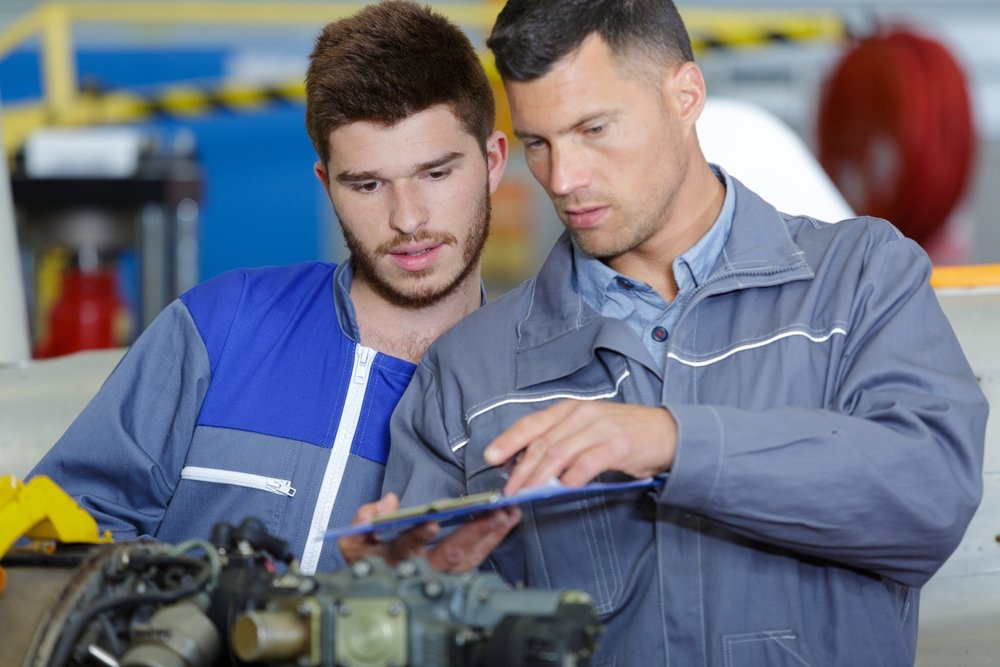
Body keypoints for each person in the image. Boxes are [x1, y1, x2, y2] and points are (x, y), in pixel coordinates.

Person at [372, 1, 989, 664]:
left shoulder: (860, 277)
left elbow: (928, 497)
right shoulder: (472, 373)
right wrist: (404, 593)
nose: (563, 179)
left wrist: (673, 440)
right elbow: (428, 625)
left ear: (685, 95)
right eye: (538, 143)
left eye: (594, 129)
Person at [28, 0, 513, 576]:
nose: (406, 218)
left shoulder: (533, 389)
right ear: (326, 184)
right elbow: (56, 539)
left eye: (436, 173)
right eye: (366, 184)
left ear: (492, 162)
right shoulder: (221, 327)